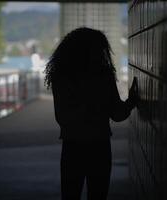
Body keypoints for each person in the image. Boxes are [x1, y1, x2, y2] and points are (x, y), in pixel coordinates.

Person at [44, 27, 139, 200]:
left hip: (72, 147)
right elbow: (117, 114)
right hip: (99, 146)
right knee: (98, 195)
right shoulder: (103, 75)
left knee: (70, 195)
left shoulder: (61, 76)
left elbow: (62, 118)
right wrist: (132, 101)